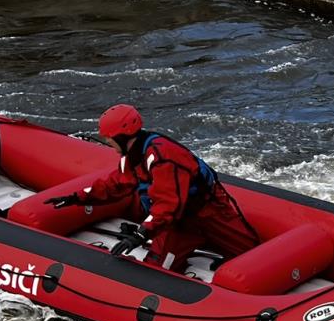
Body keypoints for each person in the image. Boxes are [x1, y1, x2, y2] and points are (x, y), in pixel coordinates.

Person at [46, 104, 260, 272]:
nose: (107, 142)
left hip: (210, 213)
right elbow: (117, 184)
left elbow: (168, 204)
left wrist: (140, 234)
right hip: (181, 224)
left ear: (122, 136)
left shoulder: (163, 157)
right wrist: (77, 197)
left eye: (108, 138)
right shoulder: (132, 156)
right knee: (157, 268)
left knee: (253, 259)